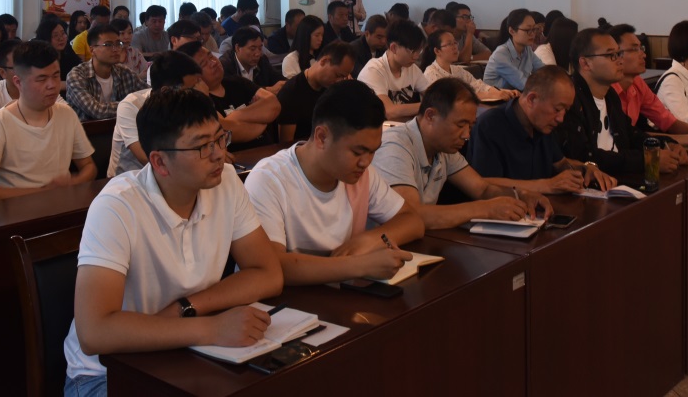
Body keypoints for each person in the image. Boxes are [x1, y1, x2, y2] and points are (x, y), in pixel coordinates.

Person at [64, 87, 283, 397]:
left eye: (220, 139)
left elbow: (268, 273)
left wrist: (187, 307)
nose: (218, 154)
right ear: (160, 162)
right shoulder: (117, 206)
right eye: (203, 146)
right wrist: (211, 328)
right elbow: (94, 332)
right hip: (105, 374)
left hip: (186, 353)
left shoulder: (225, 183)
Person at [244, 80, 424, 285]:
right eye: (357, 152)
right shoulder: (268, 179)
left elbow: (412, 221)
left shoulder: (361, 175)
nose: (366, 162)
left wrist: (368, 239)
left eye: (373, 151)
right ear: (322, 137)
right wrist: (361, 265)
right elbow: (272, 265)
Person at [373, 78, 550, 229]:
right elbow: (410, 215)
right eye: (460, 125)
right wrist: (485, 209)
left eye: (470, 126)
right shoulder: (395, 145)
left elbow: (482, 189)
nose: (466, 135)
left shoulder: (444, 148)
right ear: (430, 116)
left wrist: (520, 196)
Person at [0, 41, 97, 197]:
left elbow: (88, 166)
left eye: (56, 76)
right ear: (18, 82)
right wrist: (44, 192)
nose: (52, 85)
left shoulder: (66, 114)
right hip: (16, 209)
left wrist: (72, 183)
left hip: (62, 204)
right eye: (41, 79)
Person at [466, 66, 618, 192]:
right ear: (532, 99)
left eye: (565, 110)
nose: (561, 118)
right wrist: (547, 185)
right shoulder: (491, 125)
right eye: (557, 109)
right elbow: (484, 183)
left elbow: (560, 163)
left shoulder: (543, 125)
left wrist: (586, 168)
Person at [558, 29, 681, 180]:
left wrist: (666, 144)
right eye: (612, 55)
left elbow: (631, 133)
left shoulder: (610, 95)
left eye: (619, 53)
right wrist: (646, 160)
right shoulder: (570, 100)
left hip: (618, 178)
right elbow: (584, 156)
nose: (620, 60)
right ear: (585, 63)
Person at [608, 25, 688, 152]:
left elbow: (667, 120)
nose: (643, 54)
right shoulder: (606, 90)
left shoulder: (637, 82)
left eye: (641, 48)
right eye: (634, 49)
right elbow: (632, 137)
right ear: (615, 55)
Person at [109, 51, 205, 177]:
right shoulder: (131, 106)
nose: (197, 92)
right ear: (166, 91)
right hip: (129, 177)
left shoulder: (188, 104)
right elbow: (144, 157)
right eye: (191, 89)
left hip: (174, 174)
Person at [66, 22, 148, 121]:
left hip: (120, 128)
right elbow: (97, 111)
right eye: (108, 45)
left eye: (118, 44)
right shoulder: (77, 75)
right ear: (92, 50)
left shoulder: (124, 72)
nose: (115, 49)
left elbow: (150, 95)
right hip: (87, 129)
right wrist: (131, 104)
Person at [275, 42, 355, 142]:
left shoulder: (332, 89)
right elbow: (286, 143)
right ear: (324, 61)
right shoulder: (292, 92)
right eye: (338, 75)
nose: (339, 81)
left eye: (344, 77)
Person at [357, 19, 430, 120]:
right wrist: (429, 106)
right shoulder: (373, 70)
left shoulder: (411, 68)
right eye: (413, 51)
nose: (416, 56)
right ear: (394, 48)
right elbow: (389, 112)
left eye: (419, 51)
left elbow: (432, 94)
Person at [422, 30, 515, 103]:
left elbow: (478, 85)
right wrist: (488, 95)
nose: (455, 47)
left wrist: (502, 92)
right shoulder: (431, 73)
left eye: (455, 43)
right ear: (437, 51)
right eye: (449, 44)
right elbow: (451, 100)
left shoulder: (457, 70)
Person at [483, 9, 544, 91]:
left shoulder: (527, 50)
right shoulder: (500, 54)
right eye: (528, 30)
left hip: (515, 96)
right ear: (512, 31)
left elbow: (544, 71)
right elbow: (522, 83)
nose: (533, 34)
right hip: (495, 98)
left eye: (534, 29)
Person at [36, 14, 81, 79]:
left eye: (63, 33)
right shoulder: (39, 58)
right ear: (45, 38)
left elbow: (79, 70)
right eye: (55, 35)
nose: (61, 38)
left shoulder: (68, 51)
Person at [348, 15, 388, 79]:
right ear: (367, 34)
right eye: (379, 37)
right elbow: (362, 75)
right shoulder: (353, 49)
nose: (383, 41)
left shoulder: (384, 49)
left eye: (385, 37)